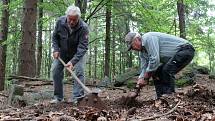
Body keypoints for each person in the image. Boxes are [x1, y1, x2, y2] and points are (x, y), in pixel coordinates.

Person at [125, 32, 195, 98]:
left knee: (167, 70)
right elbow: (144, 68)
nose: (133, 49)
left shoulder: (149, 38)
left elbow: (155, 59)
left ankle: (169, 97)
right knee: (156, 72)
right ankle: (161, 97)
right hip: (176, 55)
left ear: (137, 39)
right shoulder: (142, 53)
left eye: (132, 46)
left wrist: (146, 78)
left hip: (186, 50)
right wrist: (139, 82)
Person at [51, 5, 89, 103]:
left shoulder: (83, 28)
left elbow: (83, 47)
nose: (71, 22)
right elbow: (55, 37)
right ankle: (58, 97)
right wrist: (55, 49)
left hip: (77, 54)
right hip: (62, 52)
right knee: (55, 70)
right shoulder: (60, 22)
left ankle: (77, 98)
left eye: (74, 20)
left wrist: (73, 61)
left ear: (78, 18)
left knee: (79, 70)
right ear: (66, 16)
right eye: (70, 19)